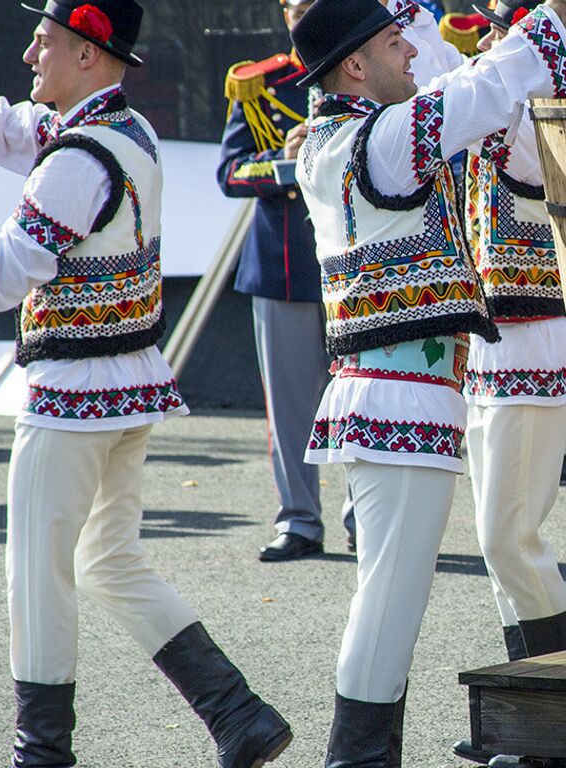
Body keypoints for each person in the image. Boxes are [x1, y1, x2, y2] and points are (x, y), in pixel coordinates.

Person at [0, 1, 295, 764]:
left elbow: (1, 275)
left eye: (46, 41)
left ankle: (42, 756)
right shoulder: (119, 132)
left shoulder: (76, 159)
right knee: (111, 561)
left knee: (36, 578)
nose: (30, 52)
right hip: (124, 390)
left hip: (73, 399)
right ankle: (239, 716)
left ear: (89, 57)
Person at [286, 0, 566, 760]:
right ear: (355, 65)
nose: (414, 55)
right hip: (400, 400)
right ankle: (356, 758)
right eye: (396, 44)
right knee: (387, 606)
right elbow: (480, 88)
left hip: (393, 396)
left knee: (388, 600)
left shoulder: (336, 139)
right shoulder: (378, 141)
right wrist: (561, 15)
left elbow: (467, 90)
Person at [448, 0, 566, 764]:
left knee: (511, 537)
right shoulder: (498, 92)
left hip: (532, 343)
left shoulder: (541, 108)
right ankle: (528, 718)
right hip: (496, 347)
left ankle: (555, 725)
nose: (493, 34)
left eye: (506, 22)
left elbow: (516, 148)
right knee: (497, 540)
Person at [218, 0, 355, 562]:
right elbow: (230, 172)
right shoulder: (259, 84)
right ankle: (300, 520)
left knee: (359, 401)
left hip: (355, 263)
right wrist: (282, 158)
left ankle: (365, 519)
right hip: (285, 264)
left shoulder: (358, 64)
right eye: (292, 5)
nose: (299, 14)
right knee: (291, 407)